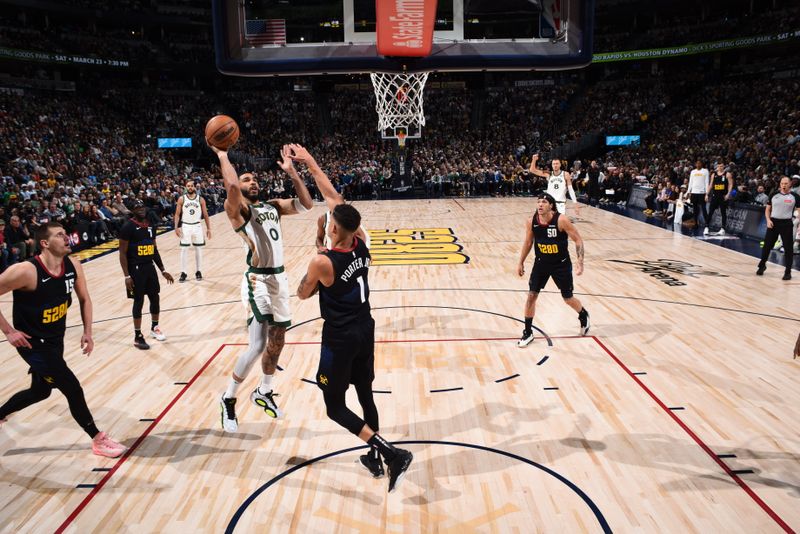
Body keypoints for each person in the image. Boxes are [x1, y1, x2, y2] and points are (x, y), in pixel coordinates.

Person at [290, 144, 413, 493]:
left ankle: (390, 453)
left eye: (330, 222)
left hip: (340, 337)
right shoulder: (360, 240)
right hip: (365, 327)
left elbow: (303, 293)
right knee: (365, 392)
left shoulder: (323, 261)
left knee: (333, 406)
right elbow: (333, 197)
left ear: (335, 230)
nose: (328, 220)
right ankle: (374, 457)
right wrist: (310, 162)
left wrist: (316, 249)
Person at [211, 144, 313, 432]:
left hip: (279, 280)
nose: (252, 181)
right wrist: (222, 155)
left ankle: (264, 391)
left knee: (278, 340)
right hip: (258, 280)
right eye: (247, 179)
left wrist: (293, 172)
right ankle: (228, 398)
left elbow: (307, 204)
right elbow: (230, 184)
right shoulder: (237, 209)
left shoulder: (273, 206)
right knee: (256, 346)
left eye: (254, 179)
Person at [0, 222, 125, 457]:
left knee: (40, 392)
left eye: (66, 234)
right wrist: (9, 331)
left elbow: (85, 299)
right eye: (60, 235)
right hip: (33, 344)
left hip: (55, 341)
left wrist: (88, 332)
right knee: (72, 388)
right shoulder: (26, 271)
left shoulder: (73, 264)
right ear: (45, 243)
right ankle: (98, 439)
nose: (67, 238)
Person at [516, 192, 590, 347]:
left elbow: (578, 239)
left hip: (560, 264)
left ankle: (583, 314)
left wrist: (580, 261)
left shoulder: (561, 220)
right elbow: (528, 242)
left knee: (568, 298)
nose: (540, 204)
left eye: (544, 202)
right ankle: (528, 332)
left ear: (551, 205)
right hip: (541, 263)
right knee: (531, 296)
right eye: (538, 201)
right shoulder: (531, 221)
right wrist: (520, 262)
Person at [119, 199, 175, 350]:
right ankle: (137, 336)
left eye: (142, 206)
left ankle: (154, 328)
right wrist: (126, 276)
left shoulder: (151, 224)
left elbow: (154, 249)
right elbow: (122, 254)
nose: (141, 209)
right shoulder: (127, 227)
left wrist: (163, 270)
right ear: (132, 210)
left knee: (155, 297)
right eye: (137, 207)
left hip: (149, 267)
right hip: (135, 269)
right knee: (138, 301)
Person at [756, 176, 800, 280]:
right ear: (780, 184)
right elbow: (767, 209)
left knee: (788, 249)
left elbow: (799, 210)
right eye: (782, 183)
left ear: (790, 184)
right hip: (773, 223)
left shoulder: (795, 196)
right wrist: (768, 220)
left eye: (786, 183)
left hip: (787, 224)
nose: (784, 185)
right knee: (767, 246)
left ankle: (787, 272)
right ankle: (762, 265)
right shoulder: (773, 194)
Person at [174, 180, 212, 282]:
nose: (190, 187)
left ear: (195, 187)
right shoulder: (182, 199)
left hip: (197, 226)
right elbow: (177, 214)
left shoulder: (200, 199)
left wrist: (208, 228)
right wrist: (176, 227)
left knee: (198, 249)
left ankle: (198, 271)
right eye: (188, 186)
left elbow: (205, 214)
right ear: (186, 187)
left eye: (191, 186)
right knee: (184, 250)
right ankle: (183, 272)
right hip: (185, 226)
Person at [705, 164, 733, 235]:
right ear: (717, 167)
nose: (720, 167)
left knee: (723, 213)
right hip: (715, 196)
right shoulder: (713, 175)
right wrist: (707, 194)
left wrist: (728, 194)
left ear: (724, 167)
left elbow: (730, 184)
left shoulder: (727, 174)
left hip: (723, 196)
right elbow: (711, 185)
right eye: (718, 166)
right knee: (710, 212)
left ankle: (723, 229)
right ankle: (706, 227)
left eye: (721, 166)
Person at [688, 160, 710, 232]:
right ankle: (695, 224)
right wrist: (688, 191)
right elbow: (690, 182)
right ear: (695, 164)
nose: (698, 164)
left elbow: (707, 182)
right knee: (695, 209)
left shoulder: (705, 171)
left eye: (699, 163)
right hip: (694, 192)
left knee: (704, 209)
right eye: (697, 163)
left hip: (702, 193)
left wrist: (707, 193)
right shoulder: (693, 172)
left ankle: (707, 225)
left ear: (702, 164)